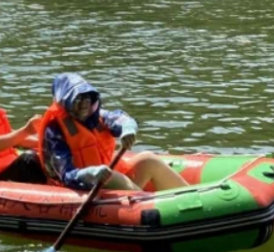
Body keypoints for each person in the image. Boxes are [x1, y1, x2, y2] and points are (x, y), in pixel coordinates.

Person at [38, 72, 189, 192]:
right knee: (112, 177)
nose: (84, 105)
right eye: (77, 100)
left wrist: (128, 129)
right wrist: (90, 174)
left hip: (106, 179)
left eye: (87, 99)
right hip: (80, 188)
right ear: (66, 103)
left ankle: (189, 197)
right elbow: (66, 175)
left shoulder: (97, 116)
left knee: (148, 159)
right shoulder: (54, 132)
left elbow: (120, 118)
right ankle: (149, 206)